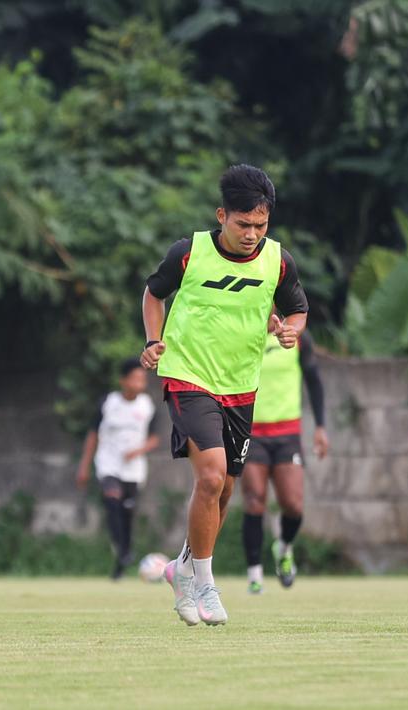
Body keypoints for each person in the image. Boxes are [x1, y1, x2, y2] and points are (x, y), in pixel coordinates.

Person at [140, 164, 308, 626]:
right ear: (222, 216)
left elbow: (297, 309)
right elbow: (153, 295)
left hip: (240, 385)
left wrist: (290, 331)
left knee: (226, 488)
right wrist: (153, 340)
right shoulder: (188, 253)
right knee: (211, 478)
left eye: (261, 225)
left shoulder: (277, 261)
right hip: (188, 375)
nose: (252, 234)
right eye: (243, 224)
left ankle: (181, 568)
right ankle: (205, 585)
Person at [242, 328, 329, 593]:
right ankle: (255, 574)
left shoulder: (298, 338)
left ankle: (283, 547)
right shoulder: (244, 336)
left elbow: (314, 380)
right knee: (255, 499)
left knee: (293, 505)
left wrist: (321, 427)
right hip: (252, 431)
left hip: (287, 433)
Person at [75, 358, 160, 580]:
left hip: (133, 469)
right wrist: (84, 466)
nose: (139, 382)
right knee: (112, 498)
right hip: (109, 463)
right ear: (123, 381)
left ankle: (121, 561)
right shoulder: (108, 402)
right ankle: (123, 552)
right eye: (134, 378)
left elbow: (154, 439)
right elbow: (93, 434)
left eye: (142, 378)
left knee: (127, 514)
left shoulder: (147, 405)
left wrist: (138, 450)